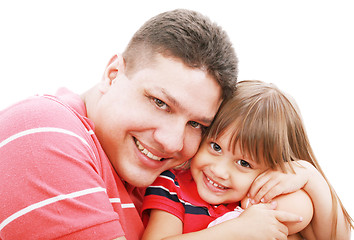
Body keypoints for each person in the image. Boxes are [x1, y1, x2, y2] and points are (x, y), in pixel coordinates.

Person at [0, 9, 239, 240]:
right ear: (113, 74)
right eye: (160, 102)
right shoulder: (43, 129)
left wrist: (273, 192)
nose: (173, 142)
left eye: (196, 124)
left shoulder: (165, 180)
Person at [141, 80, 354, 240]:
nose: (220, 171)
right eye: (216, 147)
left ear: (271, 170)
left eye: (244, 163)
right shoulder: (173, 186)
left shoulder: (260, 200)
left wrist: (311, 177)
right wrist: (234, 231)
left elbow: (336, 238)